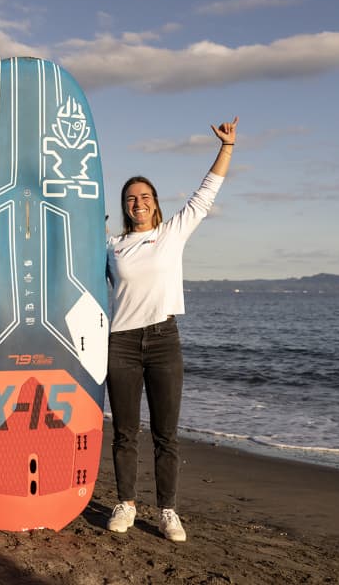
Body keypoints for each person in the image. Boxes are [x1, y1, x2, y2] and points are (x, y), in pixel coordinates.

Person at [104, 117, 238, 542]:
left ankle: (167, 511)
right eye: (130, 198)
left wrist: (227, 148)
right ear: (124, 207)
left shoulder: (172, 233)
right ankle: (126, 503)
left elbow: (204, 195)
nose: (137, 202)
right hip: (121, 343)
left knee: (166, 434)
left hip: (163, 341)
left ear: (156, 203)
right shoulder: (111, 246)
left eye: (144, 197)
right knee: (125, 432)